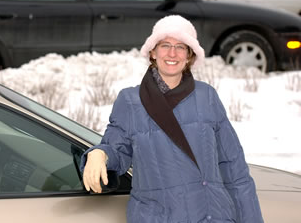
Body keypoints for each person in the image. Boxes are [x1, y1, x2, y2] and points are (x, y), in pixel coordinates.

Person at [80, 15, 264, 223]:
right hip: (159, 216)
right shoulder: (130, 101)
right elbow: (117, 150)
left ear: (190, 56)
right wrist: (99, 154)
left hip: (212, 215)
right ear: (153, 51)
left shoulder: (207, 96)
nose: (172, 53)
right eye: (165, 45)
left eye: (181, 47)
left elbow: (234, 168)